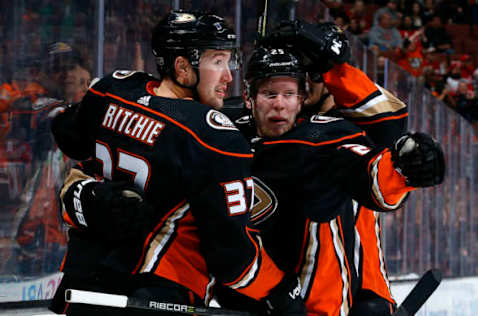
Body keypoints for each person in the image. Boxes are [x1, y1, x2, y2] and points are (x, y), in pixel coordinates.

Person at [49, 10, 305, 316]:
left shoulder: (112, 89)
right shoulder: (215, 137)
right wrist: (280, 291)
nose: (228, 76)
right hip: (159, 292)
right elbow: (234, 259)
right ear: (183, 67)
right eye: (217, 61)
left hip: (84, 283)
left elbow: (66, 133)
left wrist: (85, 190)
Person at [213, 21, 444, 316]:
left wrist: (334, 67)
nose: (282, 100)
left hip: (352, 286)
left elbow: (390, 124)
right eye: (272, 91)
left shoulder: (344, 126)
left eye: (312, 72)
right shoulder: (258, 116)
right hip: (268, 285)